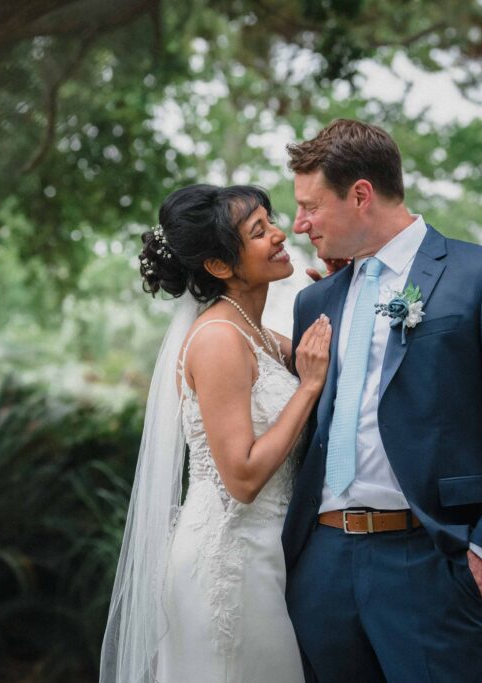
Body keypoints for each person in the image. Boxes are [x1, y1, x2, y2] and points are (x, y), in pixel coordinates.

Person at [282, 119, 482, 682]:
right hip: (322, 567)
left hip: (429, 563)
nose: (299, 223)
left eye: (310, 206)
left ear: (360, 194)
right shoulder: (315, 299)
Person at [99, 184, 331, 682]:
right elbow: (242, 477)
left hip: (267, 552)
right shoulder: (219, 340)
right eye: (258, 231)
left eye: (271, 221)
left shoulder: (261, 335)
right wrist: (306, 388)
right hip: (230, 559)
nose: (278, 234)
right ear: (220, 266)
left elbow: (331, 360)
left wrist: (336, 291)